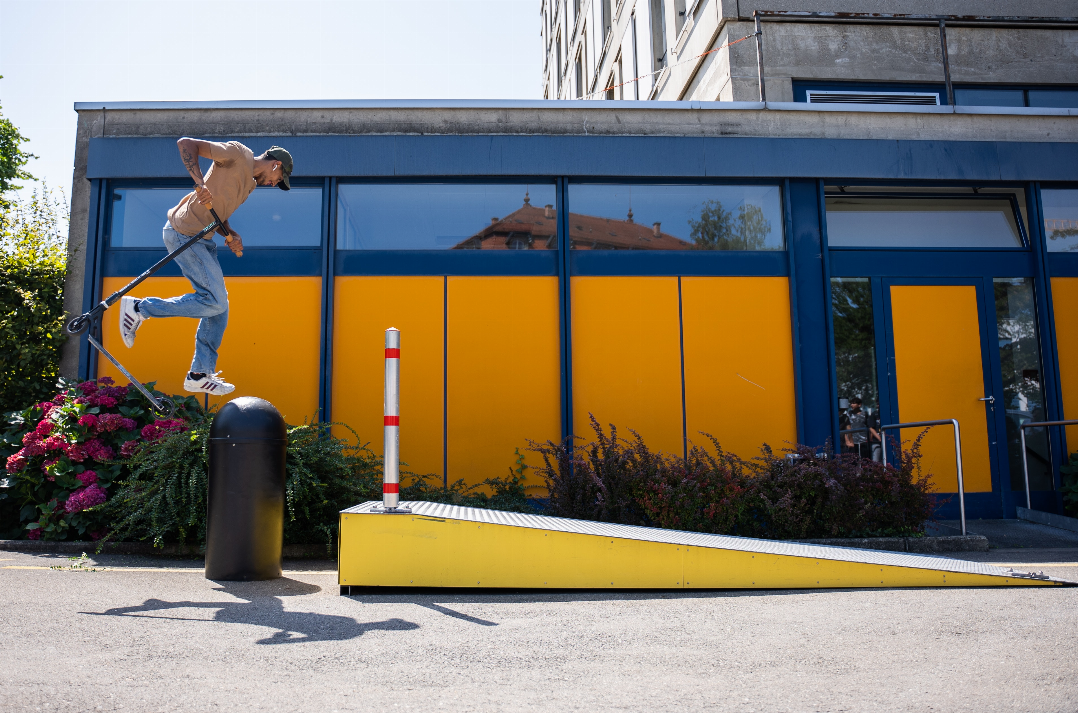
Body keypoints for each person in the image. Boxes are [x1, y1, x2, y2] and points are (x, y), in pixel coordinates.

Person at [117, 139, 293, 395]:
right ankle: (140, 308)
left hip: (203, 238)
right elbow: (187, 144)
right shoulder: (238, 154)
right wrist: (200, 184)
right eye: (279, 178)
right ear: (276, 164)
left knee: (219, 307)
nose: (275, 183)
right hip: (184, 233)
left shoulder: (250, 185)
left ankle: (200, 374)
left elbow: (219, 212)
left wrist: (231, 234)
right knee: (215, 302)